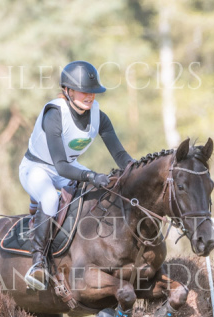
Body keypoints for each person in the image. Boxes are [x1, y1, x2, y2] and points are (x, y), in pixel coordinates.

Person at [19, 60, 135, 291]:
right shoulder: (54, 114)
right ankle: (38, 262)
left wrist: (137, 171)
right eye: (84, 91)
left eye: (93, 91)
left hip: (67, 166)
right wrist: (91, 175)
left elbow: (120, 154)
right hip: (37, 168)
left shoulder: (99, 117)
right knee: (50, 198)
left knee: (96, 193)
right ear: (67, 90)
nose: (90, 96)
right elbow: (61, 166)